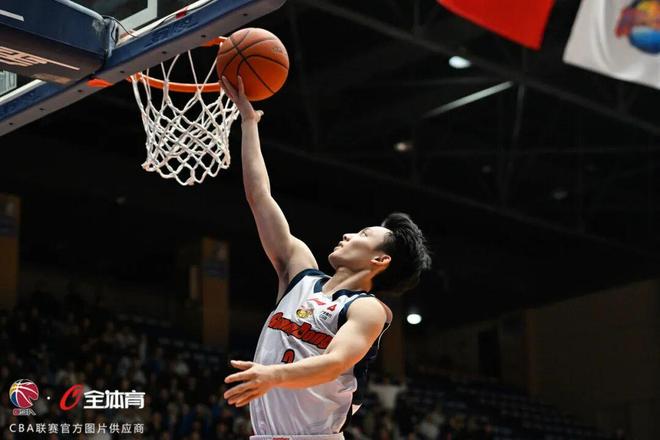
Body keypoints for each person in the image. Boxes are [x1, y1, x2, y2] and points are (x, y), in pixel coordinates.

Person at [220, 76, 432, 440]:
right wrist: (249, 124)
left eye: (363, 235)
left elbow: (334, 363)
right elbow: (260, 197)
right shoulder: (299, 272)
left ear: (380, 261)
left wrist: (272, 375)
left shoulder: (367, 309)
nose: (348, 235)